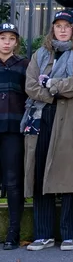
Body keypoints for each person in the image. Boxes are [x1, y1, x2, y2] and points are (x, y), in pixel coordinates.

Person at [23, 11, 73, 252]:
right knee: (40, 173)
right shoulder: (40, 54)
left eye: (67, 26)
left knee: (70, 176)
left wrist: (50, 83)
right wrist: (53, 93)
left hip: (69, 121)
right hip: (41, 118)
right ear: (52, 29)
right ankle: (43, 234)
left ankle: (69, 234)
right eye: (58, 26)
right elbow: (30, 85)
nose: (62, 30)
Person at [0, 22, 27, 250]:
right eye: (2, 38)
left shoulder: (24, 65)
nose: (6, 42)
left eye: (11, 39)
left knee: (12, 181)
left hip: (13, 130)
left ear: (16, 42)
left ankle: (13, 233)